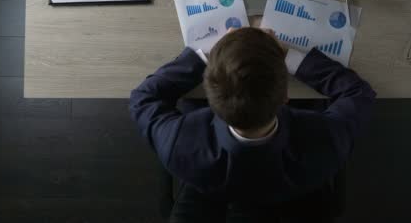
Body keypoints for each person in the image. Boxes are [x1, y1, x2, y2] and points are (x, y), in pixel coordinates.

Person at [129, 27, 376, 222]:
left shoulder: (178, 143)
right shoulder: (326, 143)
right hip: (297, 188)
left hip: (212, 185)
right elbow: (357, 93)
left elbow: (143, 98)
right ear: (285, 97)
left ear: (210, 101)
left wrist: (212, 56)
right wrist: (289, 55)